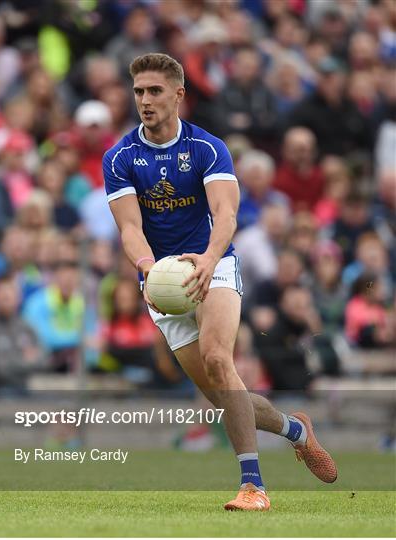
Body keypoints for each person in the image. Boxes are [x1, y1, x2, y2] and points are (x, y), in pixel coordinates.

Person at [102, 53, 336, 512]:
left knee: (217, 358)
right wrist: (148, 267)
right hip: (161, 280)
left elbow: (226, 214)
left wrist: (209, 258)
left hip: (213, 266)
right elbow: (129, 228)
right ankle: (295, 430)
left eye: (154, 91)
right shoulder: (120, 157)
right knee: (223, 393)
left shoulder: (208, 148)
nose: (144, 101)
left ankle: (253, 487)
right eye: (138, 92)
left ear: (178, 95)